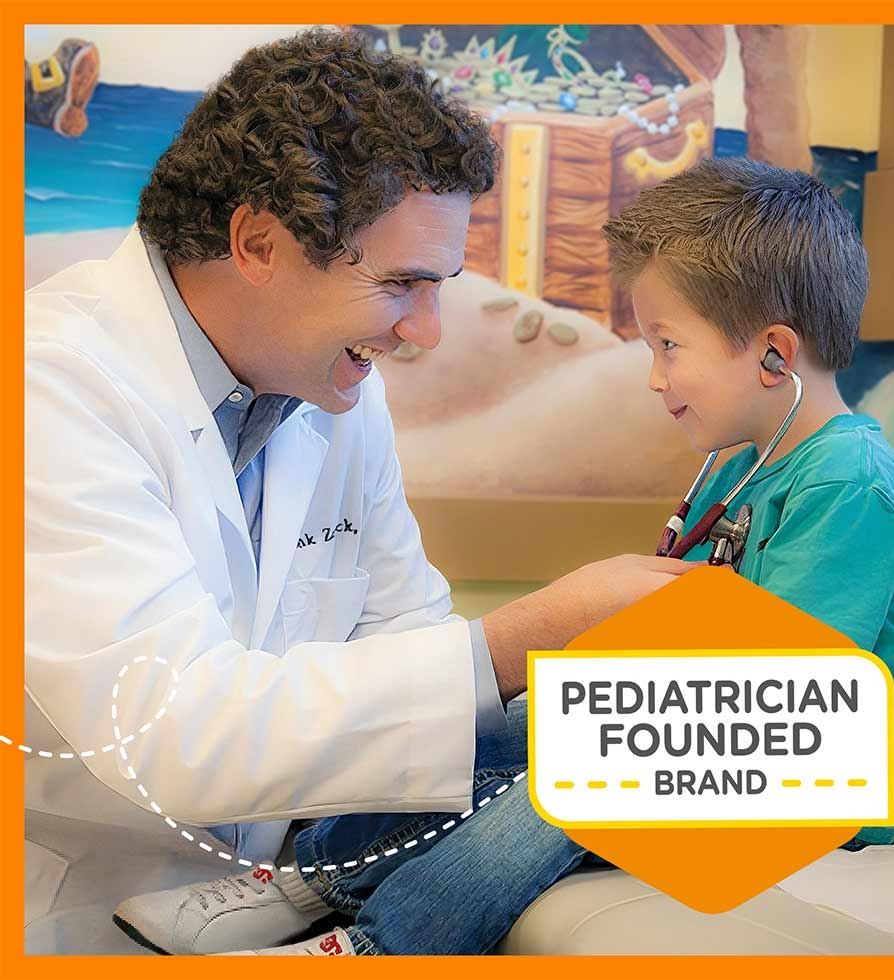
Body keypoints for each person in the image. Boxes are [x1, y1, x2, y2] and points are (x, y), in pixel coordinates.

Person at [25, 28, 696, 956]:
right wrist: (532, 631)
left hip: (250, 898)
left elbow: (405, 637)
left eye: (441, 286)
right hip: (60, 906)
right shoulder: (49, 384)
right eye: (400, 284)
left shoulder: (332, 390)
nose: (424, 330)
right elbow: (175, 728)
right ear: (257, 242)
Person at [602, 157, 894, 851]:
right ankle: (331, 879)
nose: (655, 379)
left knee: (544, 795)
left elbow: (783, 695)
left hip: (803, 780)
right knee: (498, 733)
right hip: (713, 745)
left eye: (668, 346)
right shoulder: (739, 471)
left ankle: (375, 943)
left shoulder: (851, 484)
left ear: (776, 356)